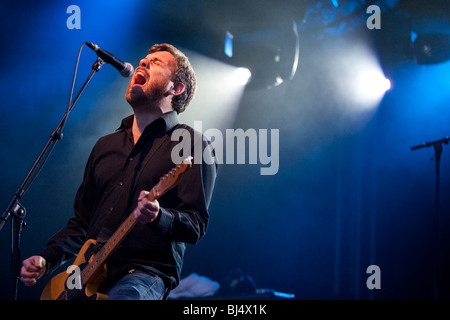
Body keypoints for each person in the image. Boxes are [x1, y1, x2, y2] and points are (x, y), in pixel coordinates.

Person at [19, 43, 217, 300]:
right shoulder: (106, 146)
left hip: (144, 272)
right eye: (144, 59)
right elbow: (82, 223)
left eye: (156, 62)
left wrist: (159, 216)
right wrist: (48, 259)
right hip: (85, 272)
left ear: (176, 88)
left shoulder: (192, 144)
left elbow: (196, 224)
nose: (143, 63)